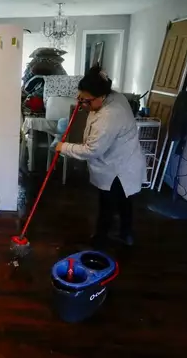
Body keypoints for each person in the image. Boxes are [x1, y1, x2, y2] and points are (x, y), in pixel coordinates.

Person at [56, 65, 146, 246]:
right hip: (121, 158)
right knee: (123, 201)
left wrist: (63, 147)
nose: (81, 103)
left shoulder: (109, 116)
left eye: (85, 100)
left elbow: (92, 150)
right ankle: (125, 234)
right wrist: (85, 100)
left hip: (119, 167)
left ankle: (101, 240)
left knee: (109, 203)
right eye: (79, 97)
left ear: (102, 96)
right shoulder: (113, 96)